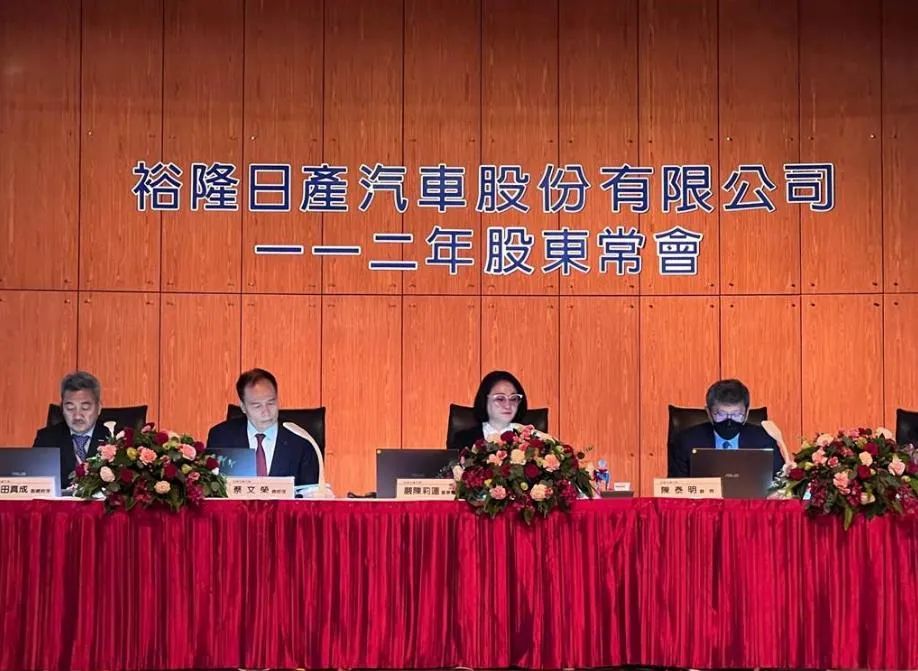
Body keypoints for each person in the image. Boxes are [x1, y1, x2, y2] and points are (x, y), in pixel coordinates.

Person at [206, 368, 318, 486]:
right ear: (243, 407)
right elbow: (212, 488)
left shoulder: (300, 439)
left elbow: (310, 492)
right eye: (257, 406)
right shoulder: (221, 437)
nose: (266, 412)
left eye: (271, 403)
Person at [668, 378, 782, 478]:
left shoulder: (764, 440)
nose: (729, 420)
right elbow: (677, 486)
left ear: (747, 413)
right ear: (708, 412)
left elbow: (780, 482)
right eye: (721, 414)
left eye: (736, 414)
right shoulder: (686, 441)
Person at [32, 371, 112, 490]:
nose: (77, 416)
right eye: (70, 408)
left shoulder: (115, 438)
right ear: (62, 408)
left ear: (99, 408)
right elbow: (34, 483)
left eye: (85, 408)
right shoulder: (46, 439)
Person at [452, 370, 530, 449]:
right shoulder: (463, 439)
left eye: (513, 399)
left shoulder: (530, 438)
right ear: (485, 400)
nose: (508, 405)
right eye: (500, 399)